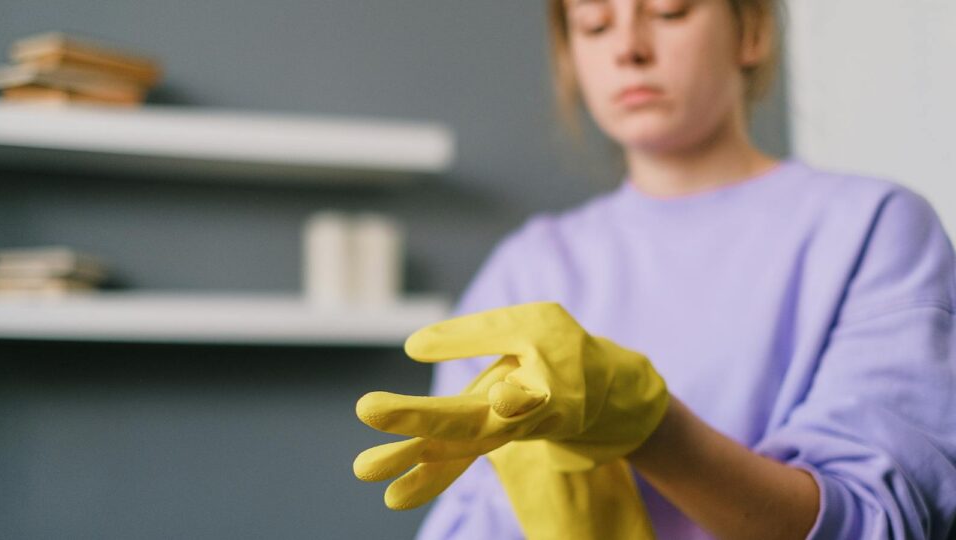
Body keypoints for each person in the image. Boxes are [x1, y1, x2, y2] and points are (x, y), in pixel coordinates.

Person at [357, 0, 956, 538]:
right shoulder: (527, 267)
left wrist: (655, 429)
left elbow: (882, 520)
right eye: (594, 23)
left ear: (749, 31)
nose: (629, 48)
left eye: (670, 12)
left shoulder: (871, 227)